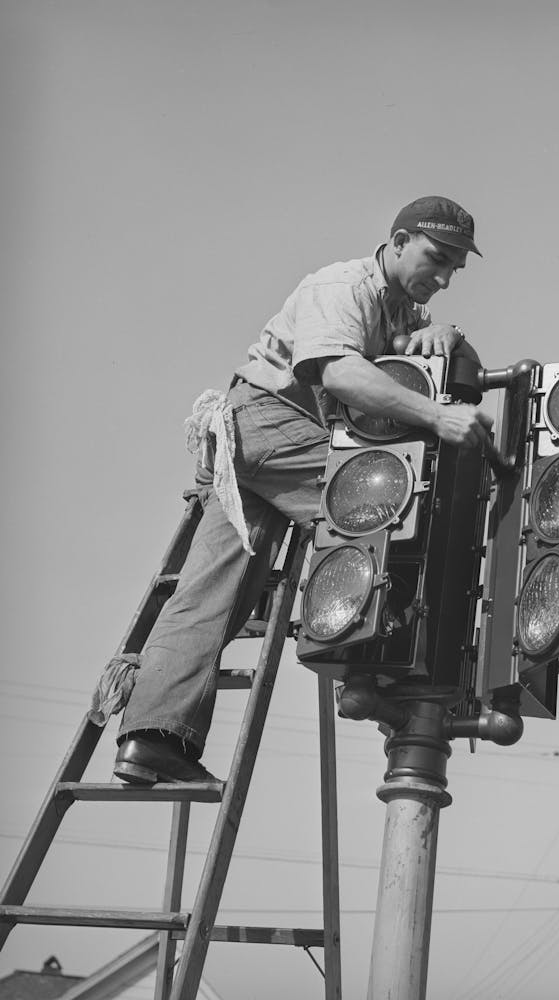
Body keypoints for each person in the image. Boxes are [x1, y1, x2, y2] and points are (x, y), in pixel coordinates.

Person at [112, 195, 493, 784]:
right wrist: (438, 418)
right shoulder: (339, 286)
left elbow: (429, 351)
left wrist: (448, 331)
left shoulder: (403, 312)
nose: (442, 279)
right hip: (266, 424)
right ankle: (366, 666)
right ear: (396, 242)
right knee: (391, 500)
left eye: (453, 272)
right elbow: (336, 371)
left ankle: (153, 741)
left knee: (213, 594)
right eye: (435, 259)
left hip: (257, 453)